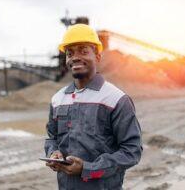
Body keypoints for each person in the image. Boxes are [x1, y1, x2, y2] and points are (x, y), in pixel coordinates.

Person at [44, 24, 143, 190]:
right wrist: (53, 153)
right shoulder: (58, 99)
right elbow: (52, 138)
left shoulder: (116, 99)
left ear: (97, 56)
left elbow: (132, 151)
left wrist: (88, 169)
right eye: (70, 53)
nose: (75, 57)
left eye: (83, 51)